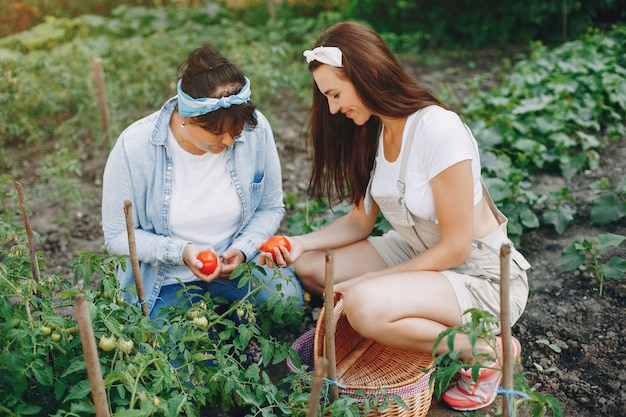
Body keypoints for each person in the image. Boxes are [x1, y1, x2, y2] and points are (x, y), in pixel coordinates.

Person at [258, 21, 530, 411]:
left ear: (366, 73)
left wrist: (372, 280)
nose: (333, 108)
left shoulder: (437, 129)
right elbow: (359, 222)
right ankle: (404, 318)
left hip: (479, 273)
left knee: (364, 304)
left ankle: (486, 352)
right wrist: (300, 243)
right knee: (314, 268)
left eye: (335, 94)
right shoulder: (375, 130)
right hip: (417, 250)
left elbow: (455, 248)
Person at [102, 44, 303, 324]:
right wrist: (182, 252)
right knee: (183, 360)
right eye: (218, 134)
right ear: (188, 118)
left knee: (288, 303)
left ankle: (233, 327)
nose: (231, 142)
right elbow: (116, 236)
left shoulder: (256, 130)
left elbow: (270, 207)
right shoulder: (134, 148)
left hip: (238, 267)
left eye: (236, 131)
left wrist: (244, 249)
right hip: (167, 280)